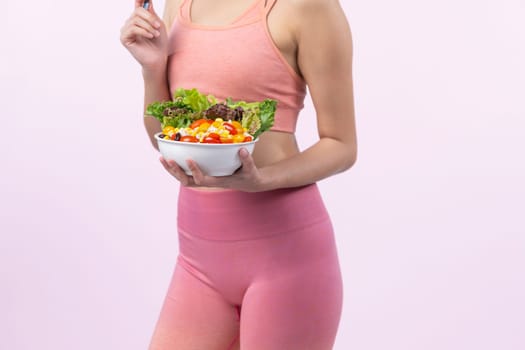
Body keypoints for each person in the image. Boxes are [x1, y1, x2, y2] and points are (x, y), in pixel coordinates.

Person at [120, 0, 357, 348]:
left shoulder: (307, 6)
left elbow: (341, 145)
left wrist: (263, 180)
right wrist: (152, 69)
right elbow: (165, 134)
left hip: (285, 261)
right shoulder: (179, 5)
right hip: (197, 261)